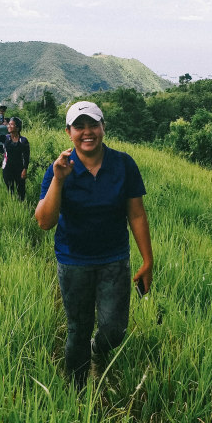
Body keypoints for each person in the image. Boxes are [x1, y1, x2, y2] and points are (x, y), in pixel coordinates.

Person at [34, 101, 153, 387]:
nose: (87, 132)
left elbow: (136, 213)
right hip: (73, 260)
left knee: (114, 328)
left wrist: (148, 261)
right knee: (78, 328)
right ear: (68, 132)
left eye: (93, 125)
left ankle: (97, 351)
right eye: (79, 126)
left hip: (114, 259)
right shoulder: (59, 169)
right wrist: (59, 182)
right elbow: (44, 222)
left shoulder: (123, 164)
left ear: (103, 128)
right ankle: (77, 391)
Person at [0, 116, 30, 200]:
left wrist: (25, 169)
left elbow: (26, 156)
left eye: (11, 124)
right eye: (8, 124)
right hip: (7, 168)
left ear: (17, 127)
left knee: (21, 190)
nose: (9, 126)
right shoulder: (6, 138)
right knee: (10, 190)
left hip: (19, 168)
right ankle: (12, 205)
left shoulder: (23, 141)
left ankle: (22, 206)